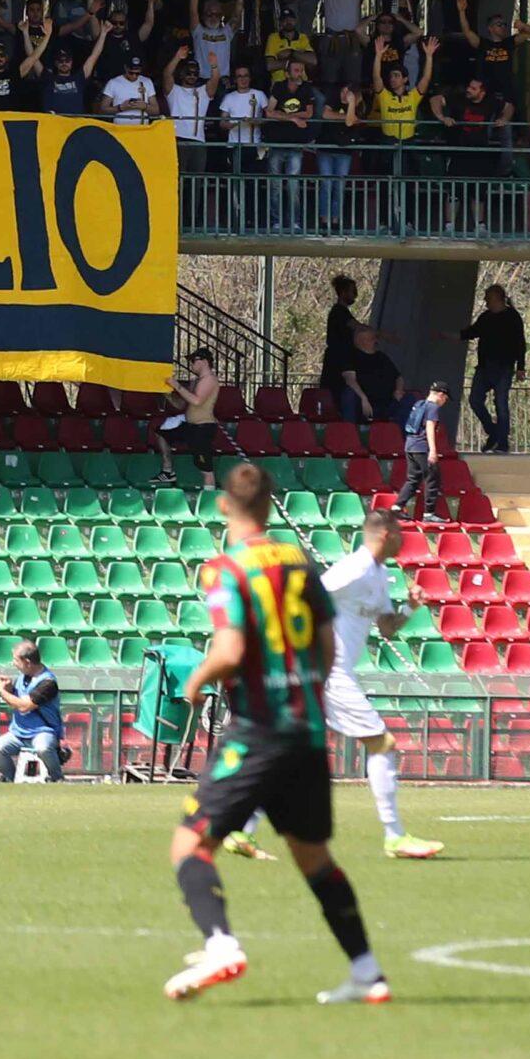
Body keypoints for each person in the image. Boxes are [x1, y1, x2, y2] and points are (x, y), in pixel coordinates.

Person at [166, 463, 388, 1004]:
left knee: (190, 844)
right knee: (315, 858)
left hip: (259, 729)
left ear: (225, 506)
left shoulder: (225, 569)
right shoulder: (300, 561)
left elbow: (231, 651)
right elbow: (330, 646)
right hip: (307, 730)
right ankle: (367, 973)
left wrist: (195, 681)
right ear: (270, 504)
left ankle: (220, 946)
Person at [321, 510, 445, 860]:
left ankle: (239, 828)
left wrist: (410, 606)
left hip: (331, 671)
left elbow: (387, 628)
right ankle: (394, 836)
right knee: (384, 743)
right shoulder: (354, 568)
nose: (405, 537)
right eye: (400, 531)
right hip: (329, 670)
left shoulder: (379, 573)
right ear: (385, 534)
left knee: (290, 752)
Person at [452, 284, 526, 453]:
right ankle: (493, 431)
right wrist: (449, 336)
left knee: (501, 403)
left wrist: (521, 367)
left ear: (497, 298)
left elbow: (520, 343)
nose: (485, 301)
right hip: (484, 367)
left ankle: (502, 443)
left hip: (504, 367)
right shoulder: (485, 317)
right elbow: (471, 332)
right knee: (475, 400)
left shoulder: (512, 317)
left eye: (488, 298)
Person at [0, 640, 64, 783]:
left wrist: (1, 691)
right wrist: (9, 687)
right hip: (18, 733)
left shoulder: (48, 683)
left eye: (16, 660)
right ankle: (11, 780)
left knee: (43, 748)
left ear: (28, 662)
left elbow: (24, 706)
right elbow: (17, 698)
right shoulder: (22, 677)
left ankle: (57, 778)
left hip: (43, 731)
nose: (13, 663)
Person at [153, 347, 223, 487]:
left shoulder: (210, 380)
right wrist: (167, 393)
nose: (191, 364)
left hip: (202, 428)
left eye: (193, 360)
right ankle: (168, 471)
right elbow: (181, 405)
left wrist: (177, 385)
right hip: (189, 425)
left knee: (205, 469)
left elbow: (197, 400)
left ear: (204, 361)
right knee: (161, 433)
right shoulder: (196, 381)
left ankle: (209, 499)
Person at [393, 381, 452, 521]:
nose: (444, 402)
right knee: (432, 478)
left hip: (410, 445)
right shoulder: (433, 407)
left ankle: (396, 508)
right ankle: (429, 513)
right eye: (445, 399)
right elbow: (430, 427)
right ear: (441, 395)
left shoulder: (419, 404)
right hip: (422, 447)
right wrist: (432, 450)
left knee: (413, 479)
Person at [340, 324, 403, 427]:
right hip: (364, 405)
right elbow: (350, 380)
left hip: (387, 402)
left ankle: (402, 437)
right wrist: (363, 398)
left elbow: (398, 377)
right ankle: (349, 432)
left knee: (409, 400)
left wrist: (398, 390)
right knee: (349, 394)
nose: (375, 341)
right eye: (372, 339)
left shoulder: (382, 357)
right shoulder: (350, 357)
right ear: (362, 341)